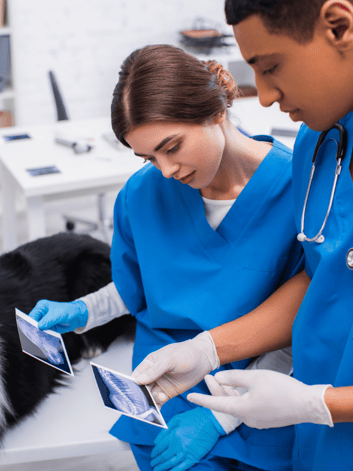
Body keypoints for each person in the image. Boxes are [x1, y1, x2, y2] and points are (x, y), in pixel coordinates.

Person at [29, 44, 304, 471]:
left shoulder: (298, 194)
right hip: (163, 389)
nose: (166, 170)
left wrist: (220, 415)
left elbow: (299, 325)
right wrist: (82, 311)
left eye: (172, 146)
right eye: (148, 157)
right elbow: (140, 288)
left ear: (215, 111)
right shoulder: (141, 195)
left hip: (265, 386)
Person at [130, 2, 353, 470]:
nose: (266, 96)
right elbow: (322, 277)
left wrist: (322, 404)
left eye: (271, 66)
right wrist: (206, 351)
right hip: (320, 436)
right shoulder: (319, 142)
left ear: (340, 26)